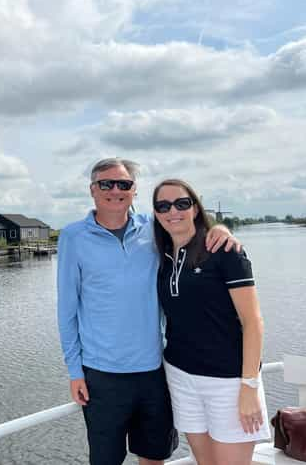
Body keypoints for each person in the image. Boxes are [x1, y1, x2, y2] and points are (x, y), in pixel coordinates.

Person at [57, 158, 239, 465]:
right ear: (92, 190)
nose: (115, 190)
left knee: (153, 456)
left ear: (134, 190)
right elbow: (67, 310)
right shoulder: (73, 238)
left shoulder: (154, 230)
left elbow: (192, 233)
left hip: (154, 371)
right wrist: (75, 371)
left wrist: (221, 229)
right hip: (102, 375)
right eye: (106, 184)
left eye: (124, 184)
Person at [153, 178, 270, 465]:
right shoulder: (164, 256)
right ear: (155, 213)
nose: (173, 211)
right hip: (181, 377)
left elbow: (252, 322)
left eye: (182, 203)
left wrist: (249, 387)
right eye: (163, 205)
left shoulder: (225, 251)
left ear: (195, 208)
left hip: (228, 381)